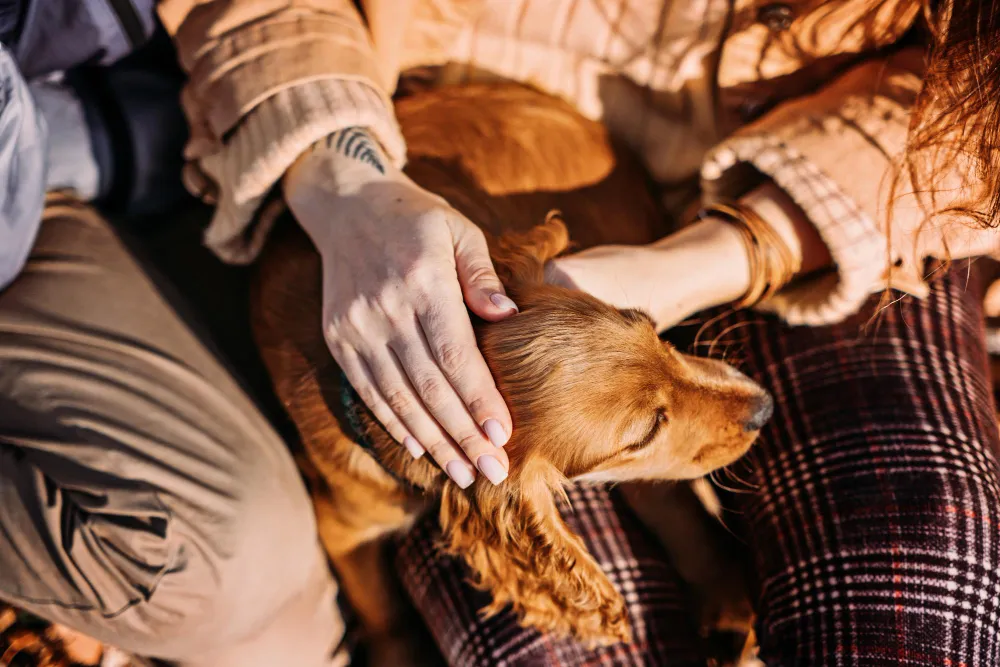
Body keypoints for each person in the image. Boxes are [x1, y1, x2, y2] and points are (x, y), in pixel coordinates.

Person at [0, 1, 998, 666]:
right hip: (369, 125)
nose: (742, 406)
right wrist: (335, 166)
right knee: (554, 645)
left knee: (917, 550)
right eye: (652, 428)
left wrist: (714, 258)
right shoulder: (486, 476)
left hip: (805, 194)